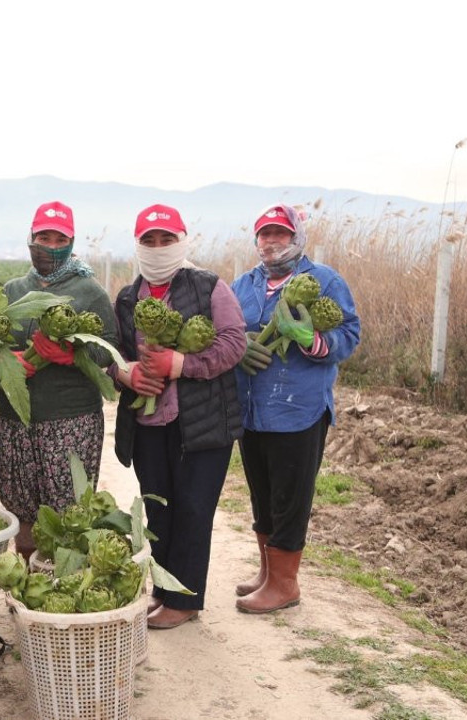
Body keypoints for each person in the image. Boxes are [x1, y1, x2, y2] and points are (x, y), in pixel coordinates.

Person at [111, 204, 245, 629]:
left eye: (166, 239)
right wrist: (125, 374)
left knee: (192, 508)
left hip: (201, 425)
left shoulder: (209, 288)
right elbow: (114, 355)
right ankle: (164, 590)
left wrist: (180, 364)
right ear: (137, 245)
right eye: (148, 240)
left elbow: (233, 344)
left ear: (183, 240)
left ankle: (185, 599)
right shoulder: (128, 297)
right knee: (160, 510)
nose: (158, 248)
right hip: (150, 426)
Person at [231, 204, 360, 614]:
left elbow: (350, 333)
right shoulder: (243, 285)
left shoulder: (323, 281)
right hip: (253, 409)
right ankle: (268, 572)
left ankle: (285, 584)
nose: (272, 241)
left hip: (299, 408)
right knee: (262, 493)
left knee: (291, 497)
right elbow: (226, 333)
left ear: (297, 238)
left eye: (281, 234)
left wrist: (312, 340)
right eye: (265, 234)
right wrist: (239, 349)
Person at [0, 201, 117, 560]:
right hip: (16, 416)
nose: (49, 246)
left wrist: (72, 354)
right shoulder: (13, 290)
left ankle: (60, 585)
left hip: (70, 419)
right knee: (23, 506)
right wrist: (9, 362)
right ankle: (26, 576)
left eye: (58, 238)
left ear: (72, 240)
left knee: (66, 512)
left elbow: (109, 348)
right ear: (30, 239)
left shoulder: (90, 291)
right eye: (42, 237)